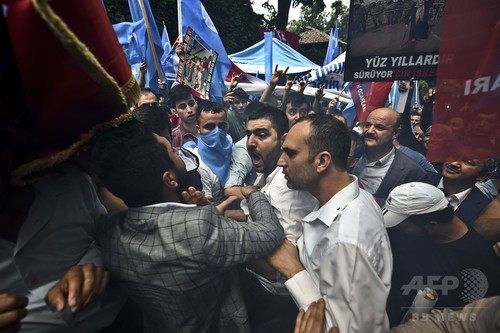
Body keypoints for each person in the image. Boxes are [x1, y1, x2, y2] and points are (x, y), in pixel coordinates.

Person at [89, 119, 285, 333]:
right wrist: (254, 193)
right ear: (170, 179)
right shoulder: (199, 229)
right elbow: (270, 233)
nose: (176, 149)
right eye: (171, 150)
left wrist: (194, 213)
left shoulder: (107, 231)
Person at [268, 114, 393, 333]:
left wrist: (294, 270)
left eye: (291, 153)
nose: (281, 162)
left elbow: (345, 329)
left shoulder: (346, 241)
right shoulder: (354, 196)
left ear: (322, 161)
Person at [236, 106, 318, 333]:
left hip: (273, 300)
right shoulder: (267, 173)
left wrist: (227, 249)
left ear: (283, 140)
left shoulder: (286, 187)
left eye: (261, 135)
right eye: (248, 134)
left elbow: (279, 271)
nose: (251, 142)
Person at [382, 182, 500, 325]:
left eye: (405, 227)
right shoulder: (416, 233)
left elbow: (469, 317)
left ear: (432, 225)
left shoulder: (478, 263)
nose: (400, 230)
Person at [351, 107, 427, 205]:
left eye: (379, 127)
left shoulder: (411, 172)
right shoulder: (348, 151)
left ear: (395, 133)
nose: (370, 131)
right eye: (367, 125)